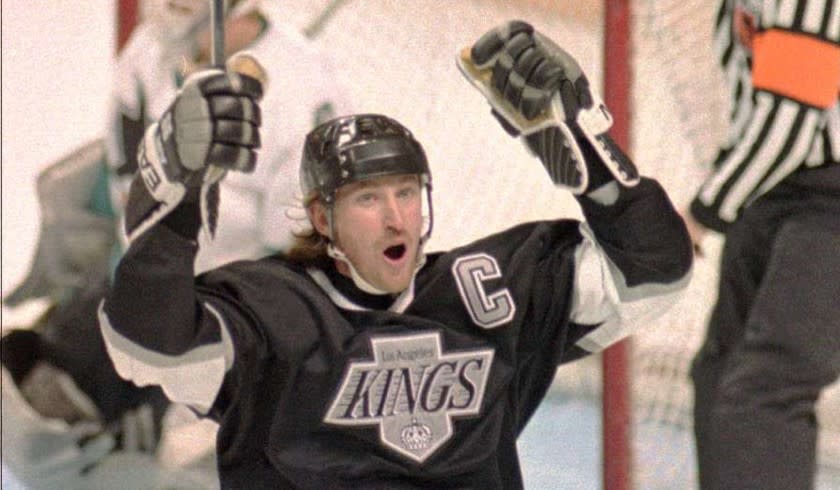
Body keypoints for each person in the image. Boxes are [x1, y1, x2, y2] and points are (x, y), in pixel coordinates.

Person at [99, 20, 693, 488]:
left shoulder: (488, 291)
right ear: (321, 218)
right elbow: (145, 345)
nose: (394, 214)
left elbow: (654, 269)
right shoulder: (272, 309)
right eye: (367, 198)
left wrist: (583, 142)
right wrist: (173, 202)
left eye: (406, 192)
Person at [1, 0, 351, 486]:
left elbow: (303, 265)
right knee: (27, 398)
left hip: (224, 330)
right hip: (138, 283)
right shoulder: (149, 50)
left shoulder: (304, 89)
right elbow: (121, 173)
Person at [685, 1, 840, 488]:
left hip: (828, 203)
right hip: (775, 194)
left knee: (763, 391)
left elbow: (790, 124)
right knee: (718, 372)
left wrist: (697, 217)